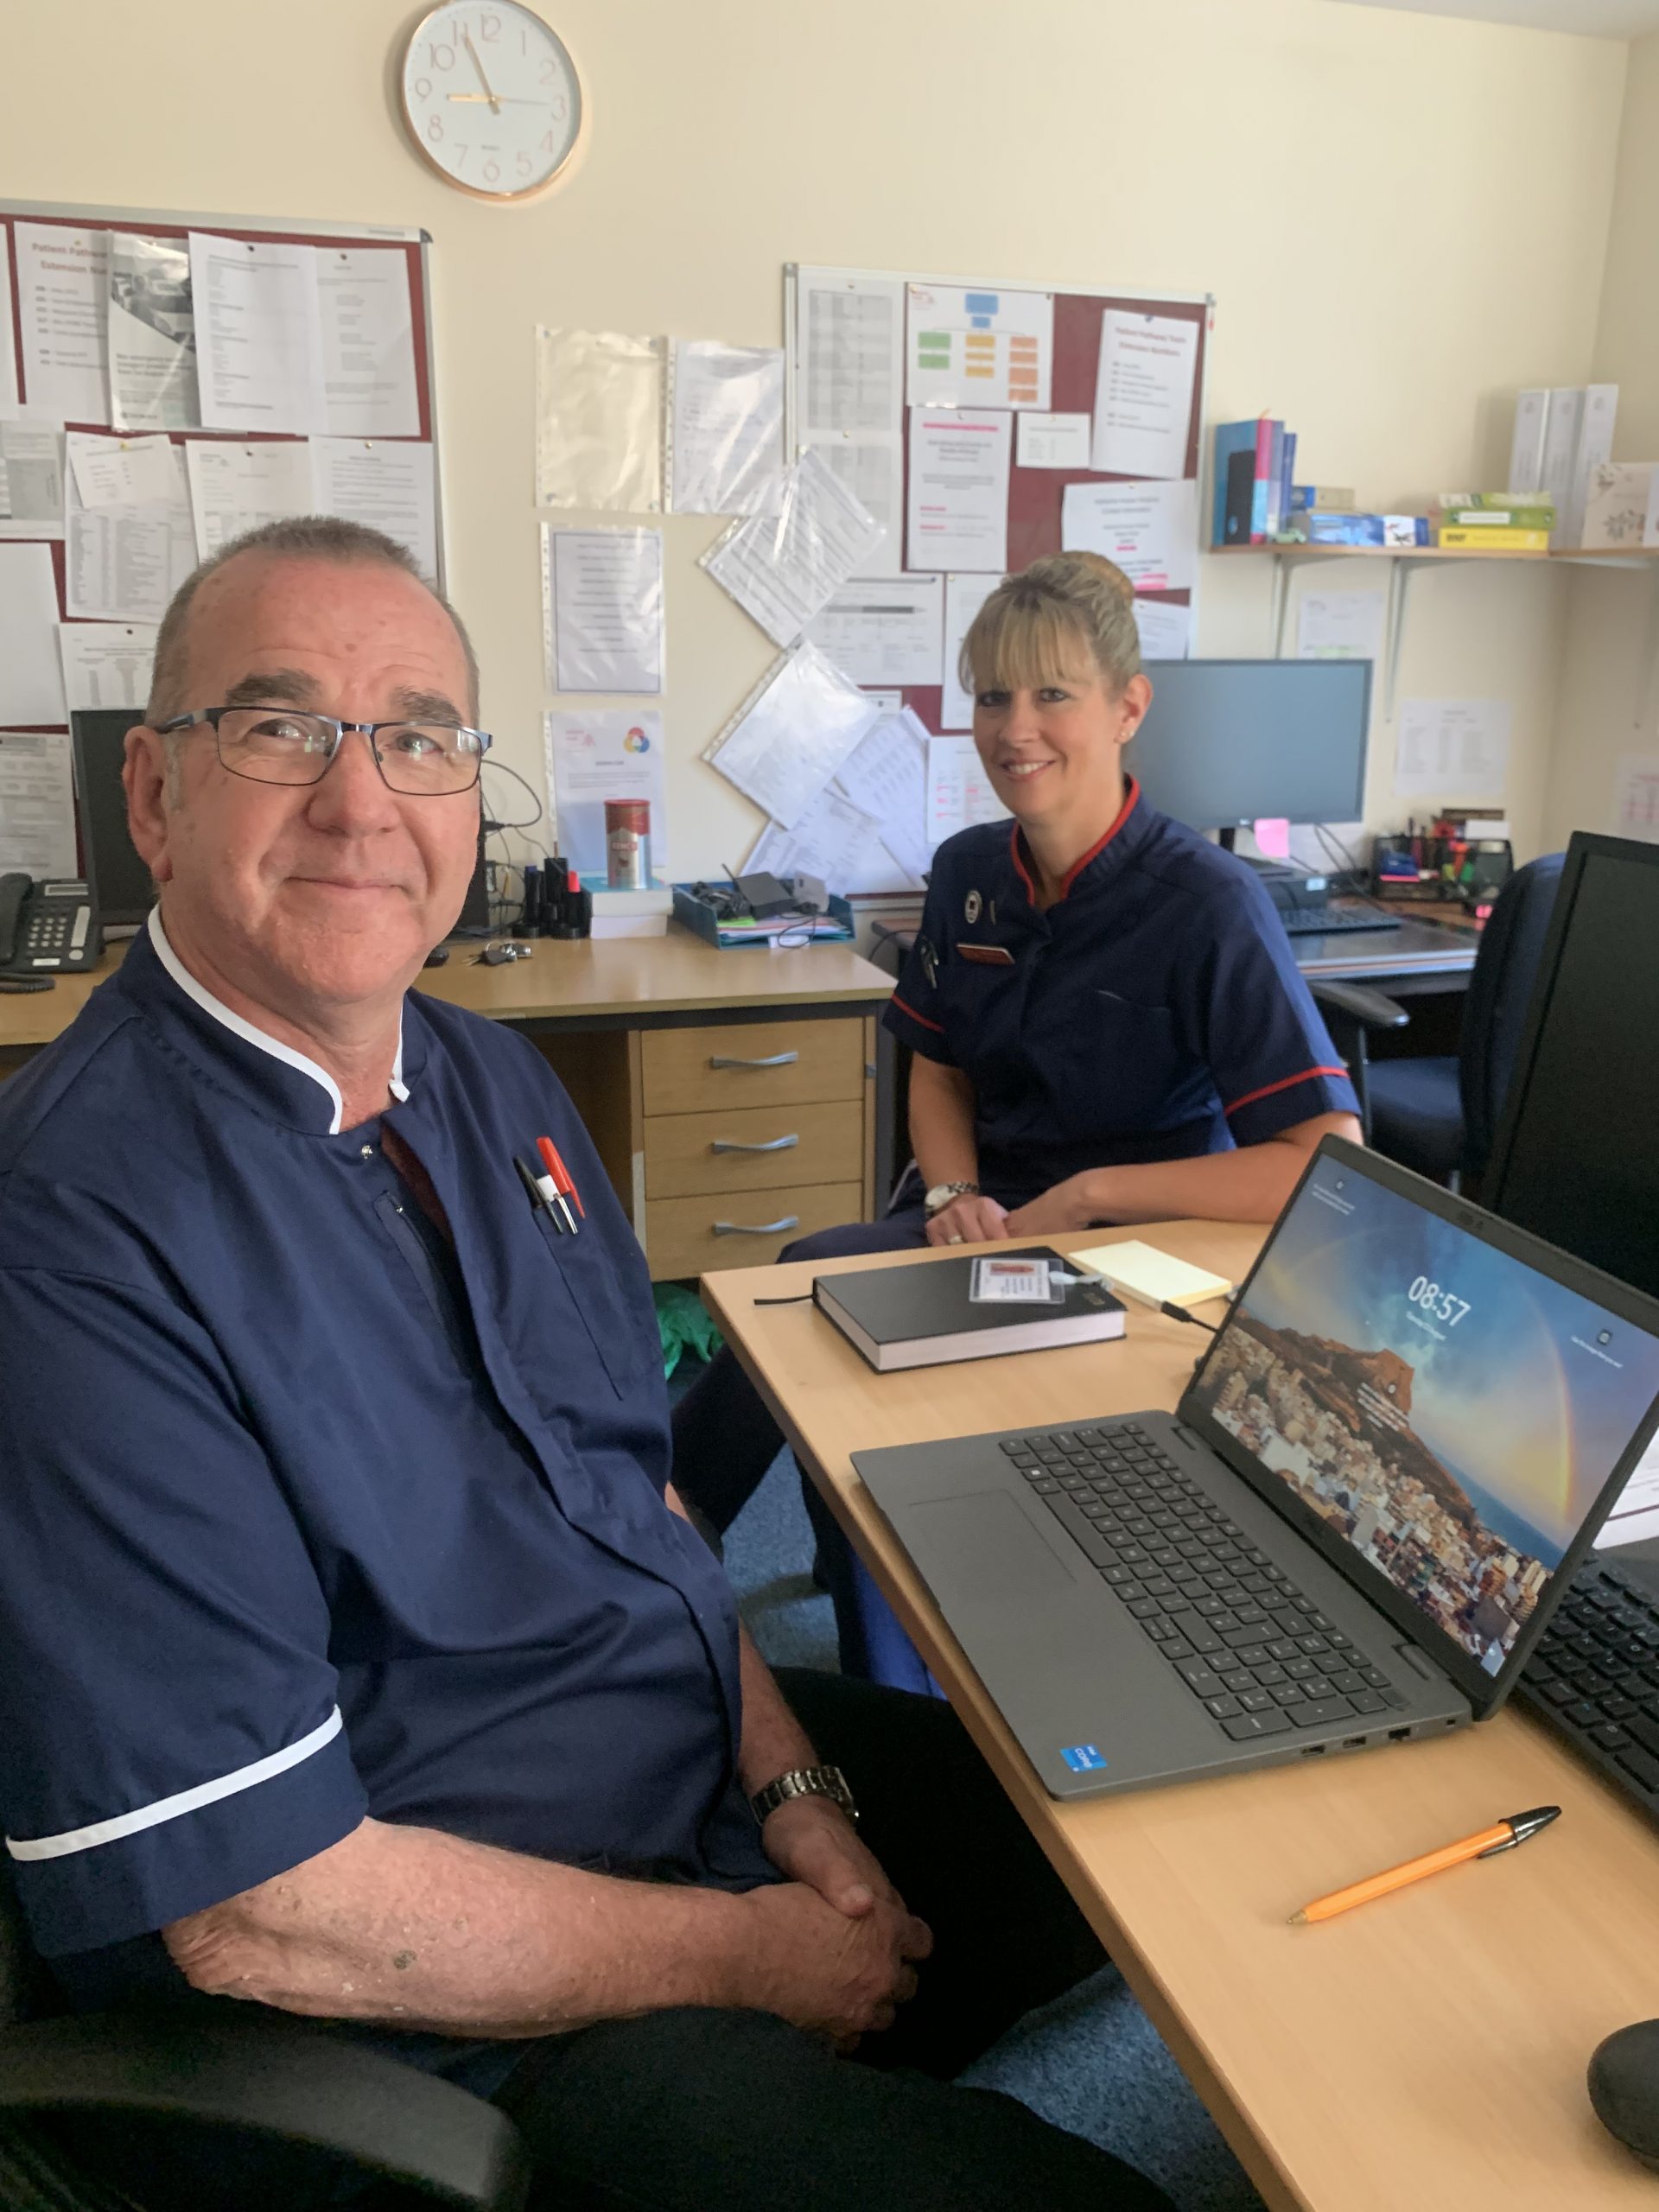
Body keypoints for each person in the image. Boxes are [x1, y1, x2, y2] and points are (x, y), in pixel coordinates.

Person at [0, 518, 1174, 2212]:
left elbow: (644, 1497)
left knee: (1125, 1825)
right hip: (454, 2011)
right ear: (153, 797)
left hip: (679, 1775)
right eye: (279, 725)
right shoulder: (71, 1237)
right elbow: (262, 1904)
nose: (358, 798)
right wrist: (752, 1961)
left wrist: (794, 1785)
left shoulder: (492, 1090)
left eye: (416, 735)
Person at [672, 551, 1362, 1688]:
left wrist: (1093, 1197)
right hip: (997, 1223)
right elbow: (935, 1065)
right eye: (993, 696)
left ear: (1129, 708)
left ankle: (872, 1680)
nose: (1015, 727)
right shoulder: (968, 874)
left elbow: (1324, 1163)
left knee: (839, 1341)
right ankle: (675, 1539)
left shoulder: (1208, 904)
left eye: (1053, 695)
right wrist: (949, 1192)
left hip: (1137, 1256)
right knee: (798, 1296)